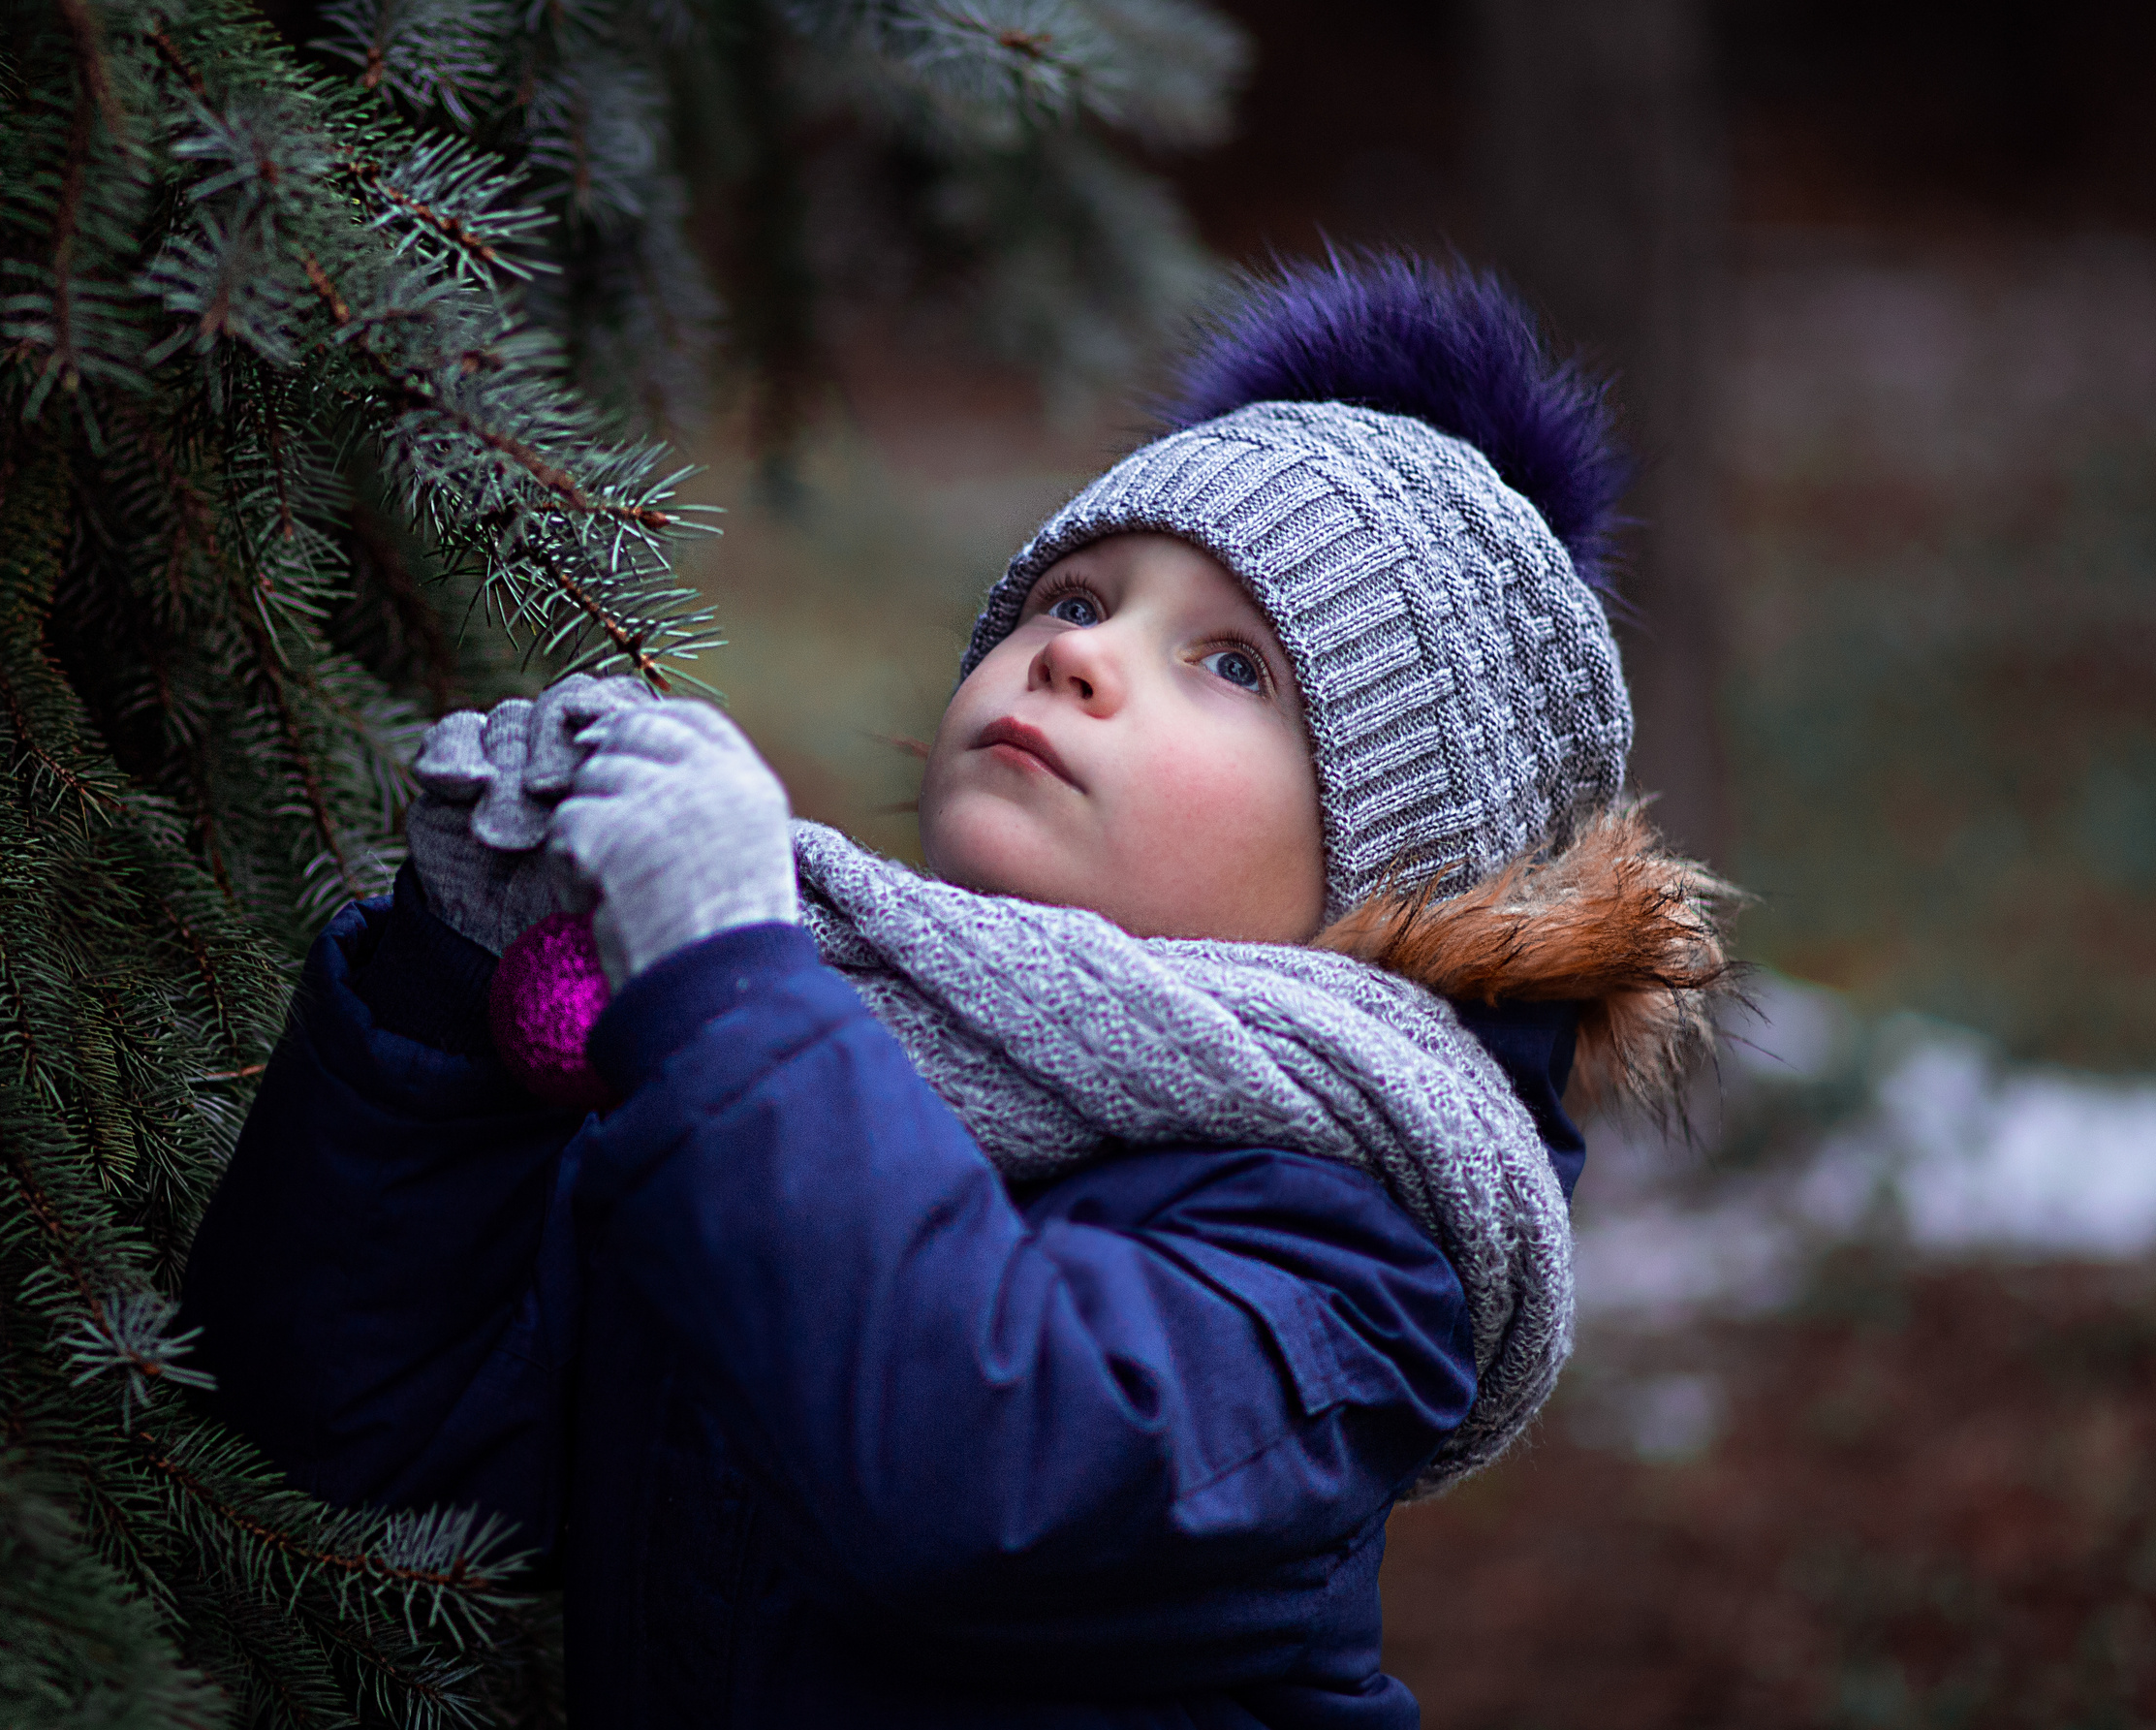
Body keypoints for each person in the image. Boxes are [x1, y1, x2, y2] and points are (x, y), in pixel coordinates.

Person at [180, 253, 1734, 1727]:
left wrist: (726, 977)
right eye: (1073, 597)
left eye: (1234, 663)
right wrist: (449, 983)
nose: (1079, 657)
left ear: (1384, 858)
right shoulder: (782, 1080)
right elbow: (366, 1447)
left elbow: (974, 1477)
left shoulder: (1353, 1251)